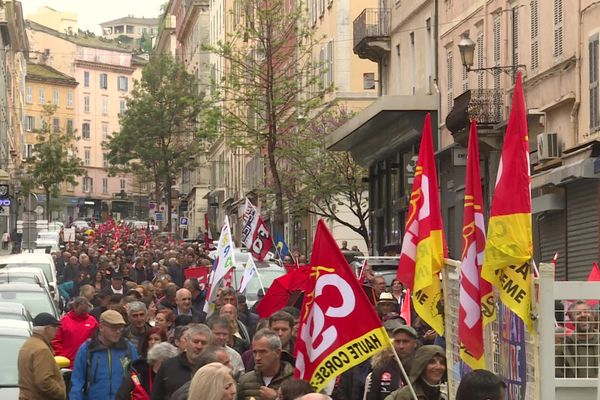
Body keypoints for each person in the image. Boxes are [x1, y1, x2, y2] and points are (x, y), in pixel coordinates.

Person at [69, 310, 140, 400]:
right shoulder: (88, 349)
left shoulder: (128, 348)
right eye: (114, 328)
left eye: (120, 328)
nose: (118, 332)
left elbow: (138, 378)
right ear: (101, 327)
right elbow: (77, 382)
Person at [151, 323, 214, 399]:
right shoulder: (168, 366)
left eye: (203, 343)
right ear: (186, 341)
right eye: (195, 341)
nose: (199, 346)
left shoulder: (214, 368)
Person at [18, 312, 66, 400]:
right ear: (47, 329)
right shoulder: (42, 349)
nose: (57, 331)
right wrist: (61, 393)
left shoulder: (27, 345)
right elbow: (44, 381)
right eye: (55, 328)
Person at [237, 329, 294, 400]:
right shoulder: (245, 381)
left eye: (263, 352)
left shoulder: (294, 380)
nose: (257, 357)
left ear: (277, 352)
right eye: (255, 352)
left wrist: (276, 398)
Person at [367, 325, 419, 400]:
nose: (401, 346)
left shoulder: (422, 367)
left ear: (415, 343)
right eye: (397, 342)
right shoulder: (382, 368)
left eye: (405, 342)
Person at [556, 300, 599, 377]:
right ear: (572, 321)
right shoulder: (564, 347)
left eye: (586, 312)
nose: (583, 315)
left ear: (593, 316)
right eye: (578, 313)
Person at [52, 296, 99, 367]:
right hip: (67, 361)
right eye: (81, 310)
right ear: (75, 307)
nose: (83, 313)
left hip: (86, 361)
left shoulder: (92, 321)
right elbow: (55, 340)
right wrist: (62, 355)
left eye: (85, 310)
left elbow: (98, 339)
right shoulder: (64, 321)